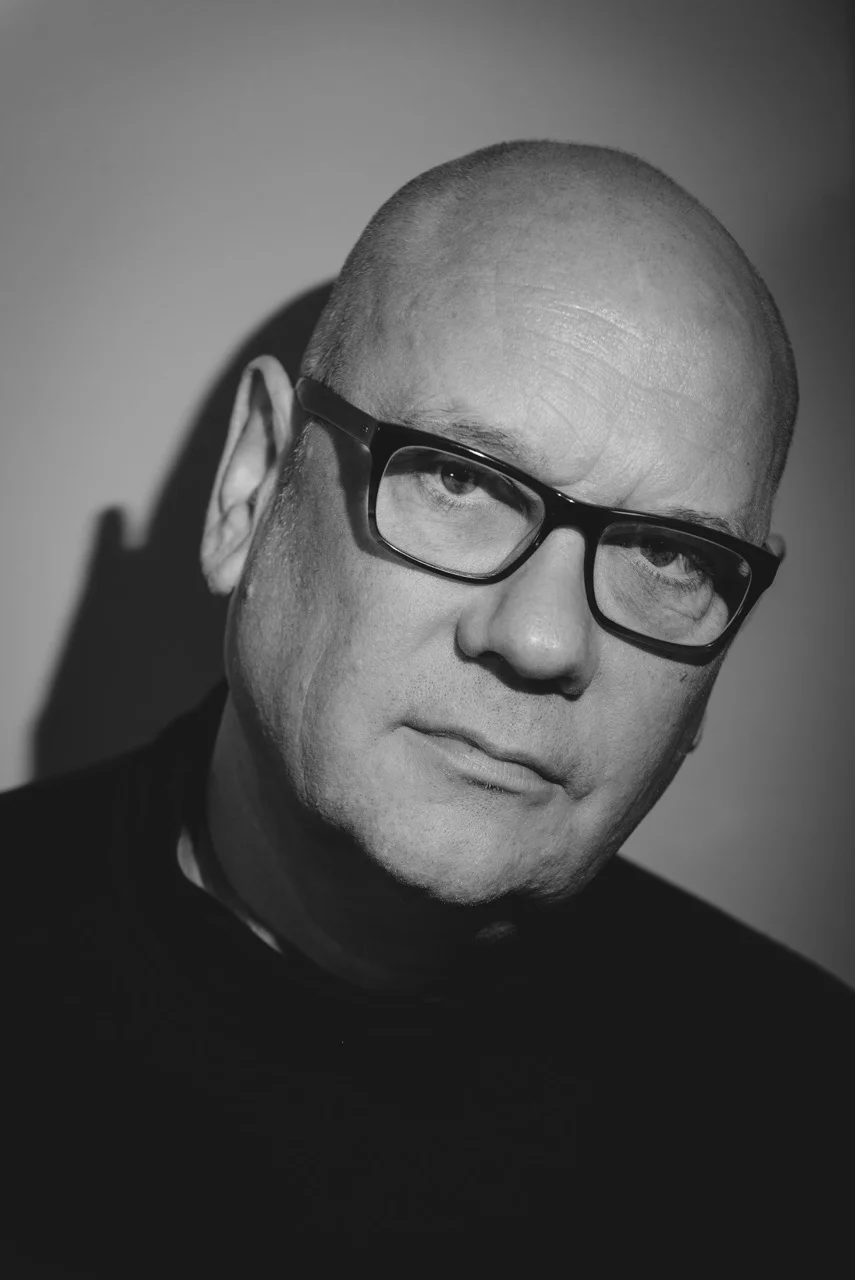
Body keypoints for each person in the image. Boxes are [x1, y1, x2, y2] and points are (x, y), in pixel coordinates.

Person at [2, 141, 852, 1263]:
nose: (543, 639)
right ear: (253, 486)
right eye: (459, 478)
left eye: (671, 556)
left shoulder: (817, 1120)